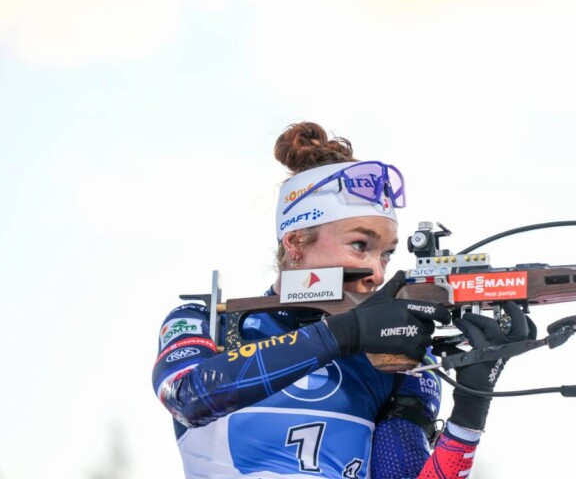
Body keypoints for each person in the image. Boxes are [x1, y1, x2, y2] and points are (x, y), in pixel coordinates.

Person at [152, 122, 535, 478]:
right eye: (360, 246)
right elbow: (187, 396)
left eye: (386, 254)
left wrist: (469, 413)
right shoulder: (209, 322)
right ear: (295, 242)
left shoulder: (390, 360)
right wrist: (342, 334)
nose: (378, 273)